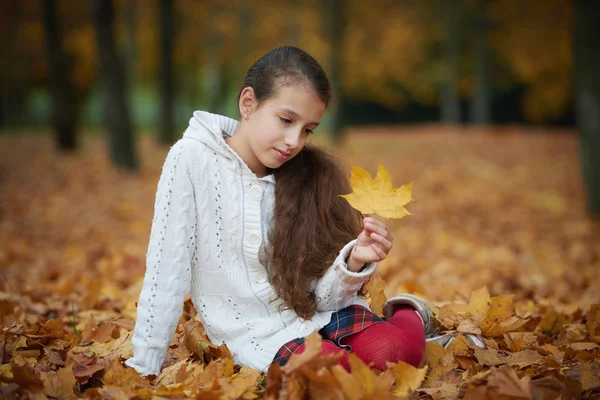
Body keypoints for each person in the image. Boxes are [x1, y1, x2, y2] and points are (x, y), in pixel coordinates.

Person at [125, 46, 473, 378]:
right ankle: (407, 332)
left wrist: (353, 262)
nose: (295, 141)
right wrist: (145, 365)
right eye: (286, 119)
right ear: (249, 102)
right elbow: (165, 270)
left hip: (322, 314)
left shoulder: (305, 176)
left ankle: (408, 311)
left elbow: (320, 295)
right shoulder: (191, 158)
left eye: (307, 130)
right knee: (338, 376)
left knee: (392, 354)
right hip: (260, 339)